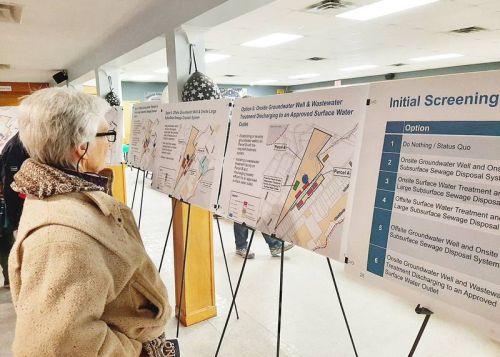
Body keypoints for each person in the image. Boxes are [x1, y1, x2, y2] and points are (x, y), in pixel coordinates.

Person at [8, 88, 171, 356]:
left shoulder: (61, 193)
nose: (110, 143)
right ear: (81, 147)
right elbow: (53, 344)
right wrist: (133, 350)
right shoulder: (59, 237)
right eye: (107, 135)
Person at [0, 132, 29, 287]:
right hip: (17, 210)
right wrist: (15, 219)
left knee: (8, 245)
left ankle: (12, 278)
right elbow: (11, 185)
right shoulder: (16, 146)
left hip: (16, 210)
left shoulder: (17, 144)